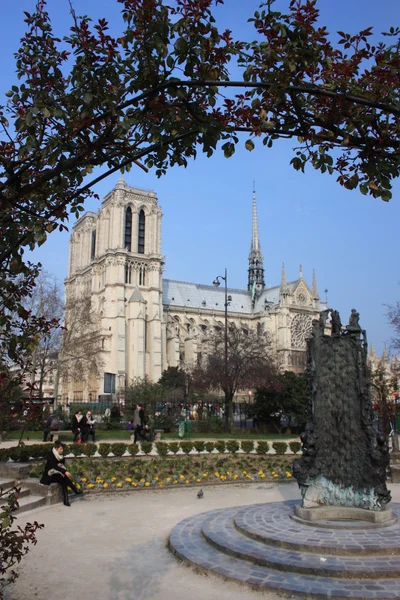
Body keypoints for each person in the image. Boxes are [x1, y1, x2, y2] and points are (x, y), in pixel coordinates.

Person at [40, 440, 82, 507]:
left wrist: (64, 471)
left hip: (57, 474)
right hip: (49, 475)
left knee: (63, 479)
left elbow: (62, 467)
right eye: (60, 449)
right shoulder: (51, 455)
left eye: (62, 449)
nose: (62, 450)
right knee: (63, 478)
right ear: (56, 449)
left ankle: (66, 500)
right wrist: (65, 472)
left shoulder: (60, 457)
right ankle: (74, 490)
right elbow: (53, 466)